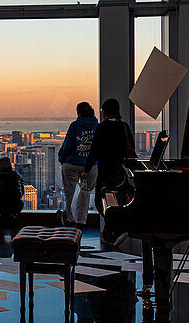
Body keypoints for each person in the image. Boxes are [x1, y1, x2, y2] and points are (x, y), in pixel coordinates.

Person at [81, 98, 136, 244]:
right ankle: (113, 231)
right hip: (121, 173)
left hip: (105, 171)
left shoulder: (102, 127)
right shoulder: (124, 127)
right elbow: (132, 148)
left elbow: (94, 151)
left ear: (104, 111)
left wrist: (86, 170)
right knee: (119, 202)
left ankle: (111, 231)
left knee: (102, 202)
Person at [58, 101, 99, 227]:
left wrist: (62, 159)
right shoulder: (98, 126)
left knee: (70, 192)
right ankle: (82, 220)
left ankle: (70, 219)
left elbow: (68, 145)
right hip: (91, 165)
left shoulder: (74, 126)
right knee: (85, 192)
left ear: (78, 112)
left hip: (72, 163)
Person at [0, 157, 24, 227]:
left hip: (0, 205)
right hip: (16, 205)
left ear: (0, 166)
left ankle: (0, 219)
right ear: (10, 164)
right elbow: (22, 191)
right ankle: (14, 218)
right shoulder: (18, 175)